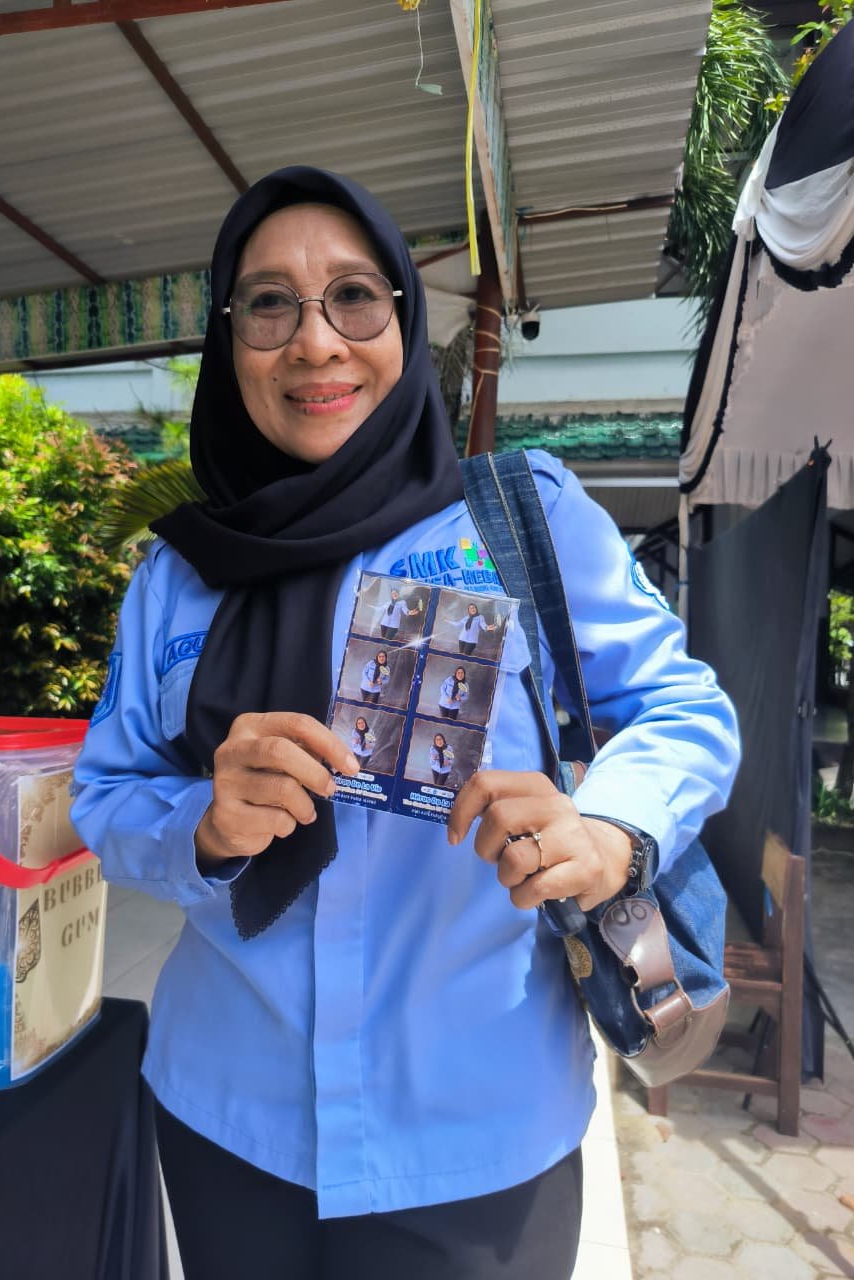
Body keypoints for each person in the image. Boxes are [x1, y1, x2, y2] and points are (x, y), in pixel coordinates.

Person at [71, 166, 740, 1280]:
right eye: (269, 303)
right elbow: (106, 793)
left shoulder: (522, 516)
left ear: (403, 319)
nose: (314, 341)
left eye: (353, 296)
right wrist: (203, 825)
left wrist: (607, 830)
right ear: (229, 340)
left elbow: (685, 706)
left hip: (475, 1134)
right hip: (228, 1114)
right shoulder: (176, 578)